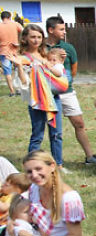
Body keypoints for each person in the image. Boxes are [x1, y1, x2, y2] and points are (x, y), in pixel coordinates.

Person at [45, 16, 96, 165]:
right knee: (54, 131)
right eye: (61, 29)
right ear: (50, 30)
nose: (64, 32)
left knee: (79, 123)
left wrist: (64, 83)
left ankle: (90, 157)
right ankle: (56, 162)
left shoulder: (69, 48)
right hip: (48, 95)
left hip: (67, 92)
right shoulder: (42, 48)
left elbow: (74, 69)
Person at [20, 24, 65, 168]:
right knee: (37, 135)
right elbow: (23, 81)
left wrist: (59, 61)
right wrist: (20, 66)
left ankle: (58, 164)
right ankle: (31, 165)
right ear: (25, 38)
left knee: (56, 134)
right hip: (37, 100)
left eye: (39, 37)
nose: (36, 40)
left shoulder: (46, 54)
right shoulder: (23, 57)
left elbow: (58, 71)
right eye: (32, 37)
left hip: (53, 98)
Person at [0, 10, 23, 97]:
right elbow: (24, 31)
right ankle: (19, 89)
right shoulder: (15, 24)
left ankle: (12, 91)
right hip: (15, 50)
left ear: (1, 18)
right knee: (18, 69)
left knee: (7, 72)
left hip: (4, 51)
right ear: (9, 17)